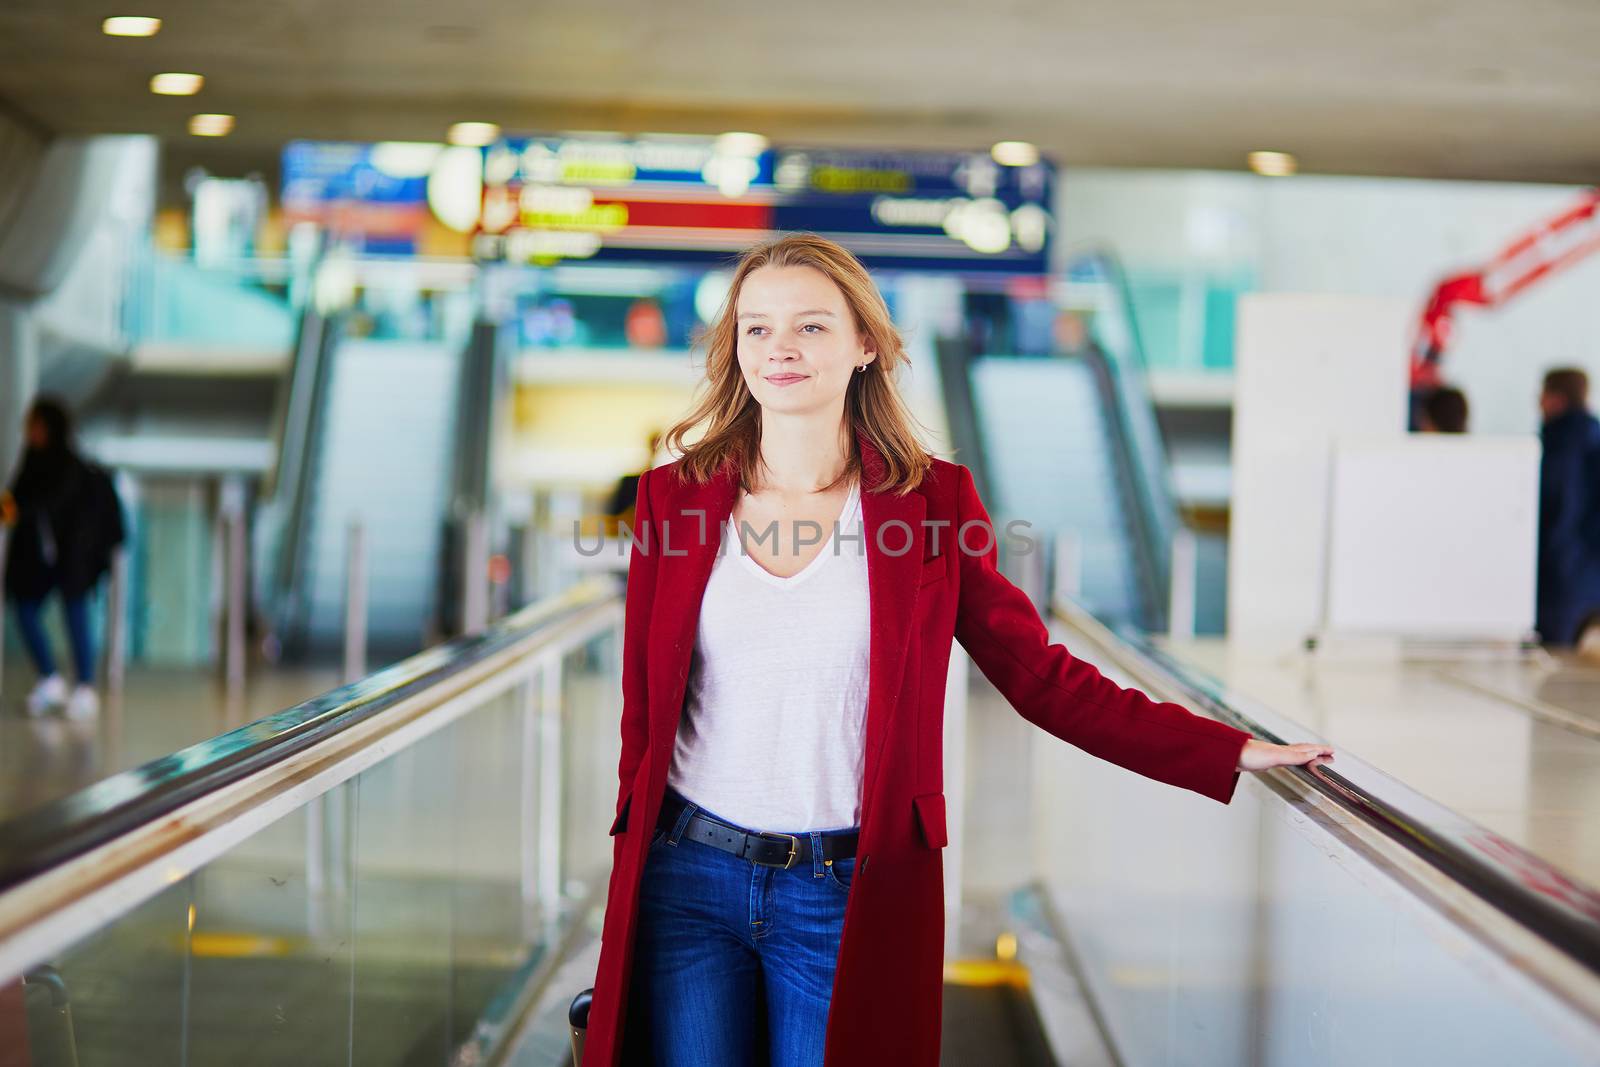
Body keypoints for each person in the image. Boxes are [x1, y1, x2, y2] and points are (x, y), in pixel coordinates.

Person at [582, 233, 1334, 1067]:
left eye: (810, 326)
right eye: (756, 329)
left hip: (844, 891)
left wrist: (1221, 746)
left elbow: (1040, 676)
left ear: (866, 343)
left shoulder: (930, 505)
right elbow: (644, 713)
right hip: (688, 878)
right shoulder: (673, 499)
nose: (779, 349)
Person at [0, 398, 124, 718]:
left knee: (76, 616)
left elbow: (46, 503)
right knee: (24, 608)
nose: (29, 432)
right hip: (38, 560)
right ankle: (50, 679)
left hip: (72, 559)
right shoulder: (31, 460)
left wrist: (18, 508)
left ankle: (84, 687)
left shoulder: (70, 466)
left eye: (34, 425)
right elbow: (16, 501)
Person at [1536, 368, 1600, 647]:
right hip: (1592, 578)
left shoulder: (1561, 446)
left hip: (1563, 583)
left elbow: (1560, 513)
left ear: (1556, 399)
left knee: (1557, 674)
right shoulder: (1593, 440)